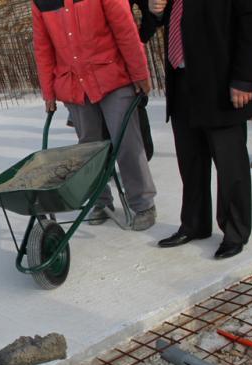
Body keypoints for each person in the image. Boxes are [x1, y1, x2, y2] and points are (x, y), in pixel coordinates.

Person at [147, 0, 252, 259]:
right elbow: (177, 16)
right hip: (182, 80)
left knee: (229, 164)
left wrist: (244, 78)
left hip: (221, 80)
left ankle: (235, 231)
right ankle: (194, 223)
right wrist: (157, 12)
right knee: (190, 160)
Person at [32, 0, 158, 231]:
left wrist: (139, 72)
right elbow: (43, 47)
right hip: (73, 83)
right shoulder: (41, 2)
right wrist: (48, 91)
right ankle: (101, 202)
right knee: (89, 148)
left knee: (126, 141)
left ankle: (143, 203)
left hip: (111, 75)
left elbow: (124, 29)